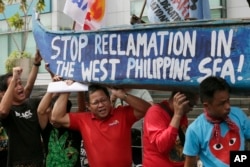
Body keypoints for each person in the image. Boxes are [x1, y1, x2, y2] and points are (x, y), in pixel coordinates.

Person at [51, 83, 151, 167]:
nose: (101, 105)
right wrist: (67, 90)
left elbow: (147, 109)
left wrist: (123, 95)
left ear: (109, 99)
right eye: (96, 102)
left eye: (103, 100)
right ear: (88, 106)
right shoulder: (83, 119)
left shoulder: (122, 114)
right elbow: (56, 117)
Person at [183, 76, 250, 167]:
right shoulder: (195, 130)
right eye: (222, 103)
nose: (227, 106)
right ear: (207, 105)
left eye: (228, 100)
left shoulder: (238, 115)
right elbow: (189, 164)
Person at [0, 50, 44, 166]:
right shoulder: (8, 111)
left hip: (38, 161)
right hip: (18, 163)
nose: (20, 87)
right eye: (15, 85)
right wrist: (14, 79)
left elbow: (29, 86)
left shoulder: (31, 103)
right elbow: (3, 111)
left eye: (20, 83)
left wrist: (36, 63)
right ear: (3, 93)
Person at [142, 90, 198, 167]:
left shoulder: (182, 115)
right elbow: (163, 146)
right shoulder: (155, 112)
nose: (191, 109)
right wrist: (177, 115)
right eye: (191, 105)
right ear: (180, 100)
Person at [113, 88, 154, 165]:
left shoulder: (142, 91)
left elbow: (151, 109)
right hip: (121, 138)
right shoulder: (115, 94)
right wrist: (112, 100)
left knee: (139, 162)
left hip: (139, 137)